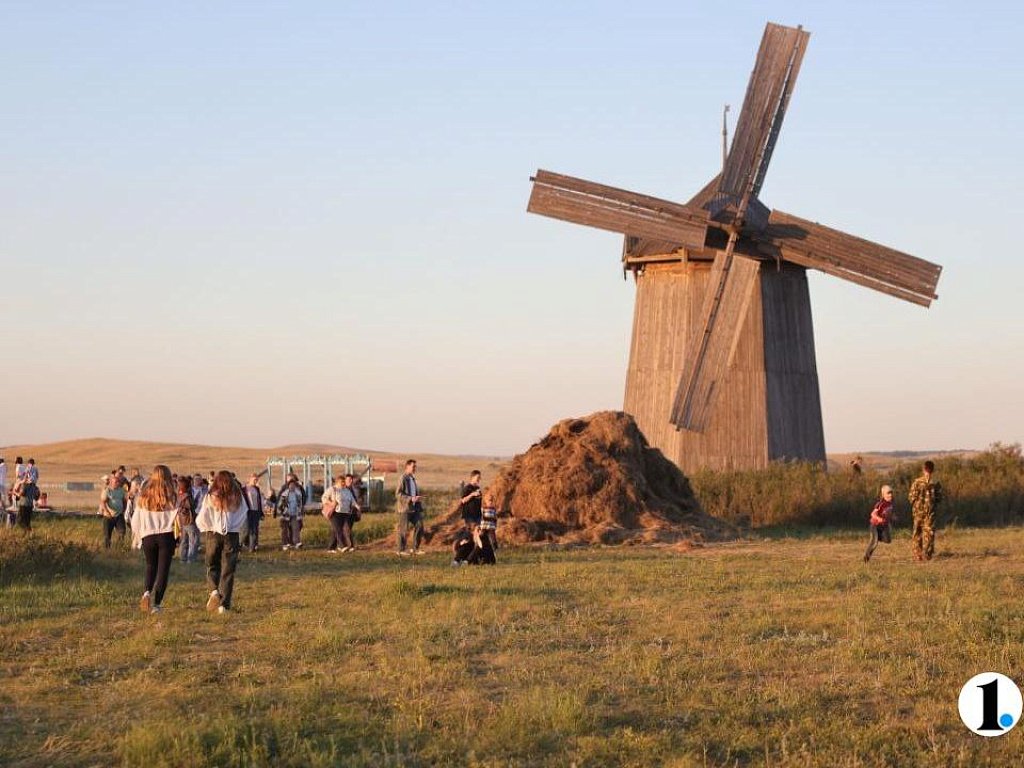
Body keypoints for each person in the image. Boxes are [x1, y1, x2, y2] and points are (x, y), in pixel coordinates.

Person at [196, 470, 247, 614]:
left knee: (212, 563)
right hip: (232, 535)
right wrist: (235, 527)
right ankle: (223, 605)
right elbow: (244, 513)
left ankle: (213, 591)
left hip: (213, 533)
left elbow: (203, 513)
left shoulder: (211, 495)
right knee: (228, 569)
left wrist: (205, 527)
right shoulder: (237, 495)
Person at [132, 466, 178, 614]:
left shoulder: (144, 496)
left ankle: (146, 592)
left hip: (148, 536)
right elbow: (177, 518)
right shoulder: (172, 496)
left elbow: (136, 519)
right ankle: (157, 605)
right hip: (166, 535)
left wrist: (138, 536)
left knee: (150, 566)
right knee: (163, 571)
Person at [909, 460, 943, 561]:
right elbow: (911, 497)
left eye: (928, 471)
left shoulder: (932, 483)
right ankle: (921, 555)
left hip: (926, 513)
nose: (927, 473)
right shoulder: (921, 482)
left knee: (925, 534)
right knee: (921, 533)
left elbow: (911, 497)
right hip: (923, 512)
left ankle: (924, 555)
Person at [395, 459, 425, 555]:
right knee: (403, 529)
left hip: (414, 508)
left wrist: (417, 498)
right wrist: (410, 499)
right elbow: (398, 494)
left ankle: (415, 549)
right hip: (405, 509)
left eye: (415, 466)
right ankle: (401, 550)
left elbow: (414, 493)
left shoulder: (413, 479)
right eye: (413, 466)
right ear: (407, 467)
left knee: (420, 525)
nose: (415, 468)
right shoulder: (403, 478)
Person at [863, 484, 895, 562]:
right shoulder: (880, 504)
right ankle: (866, 558)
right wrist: (879, 518)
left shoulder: (890, 504)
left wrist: (893, 517)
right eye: (888, 493)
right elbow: (872, 514)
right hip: (875, 525)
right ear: (883, 495)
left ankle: (878, 537)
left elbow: (889, 514)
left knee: (888, 540)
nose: (890, 495)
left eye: (891, 493)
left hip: (884, 525)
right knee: (874, 543)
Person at [99, 474, 127, 548]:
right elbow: (103, 502)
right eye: (115, 482)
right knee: (107, 535)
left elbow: (124, 501)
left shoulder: (121, 490)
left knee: (122, 532)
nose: (117, 483)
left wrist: (124, 509)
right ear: (111, 482)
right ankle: (107, 550)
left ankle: (119, 548)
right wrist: (107, 512)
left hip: (119, 515)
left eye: (118, 482)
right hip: (109, 516)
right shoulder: (107, 490)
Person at [177, 476, 200, 563]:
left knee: (184, 540)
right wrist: (196, 500)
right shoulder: (187, 496)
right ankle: (191, 558)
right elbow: (191, 506)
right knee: (193, 540)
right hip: (189, 520)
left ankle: (183, 558)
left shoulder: (179, 495)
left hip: (182, 521)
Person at [277, 478, 304, 550]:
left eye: (293, 485)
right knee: (284, 530)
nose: (292, 486)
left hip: (295, 514)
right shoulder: (284, 494)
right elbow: (280, 504)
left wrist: (300, 512)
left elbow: (300, 504)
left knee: (296, 528)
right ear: (288, 486)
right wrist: (282, 512)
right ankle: (285, 544)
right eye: (291, 485)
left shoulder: (298, 493)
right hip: (285, 514)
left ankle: (297, 543)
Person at [242, 474, 264, 552]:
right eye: (254, 480)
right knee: (247, 530)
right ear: (250, 479)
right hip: (248, 511)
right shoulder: (244, 489)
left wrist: (261, 512)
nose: (256, 481)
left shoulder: (257, 489)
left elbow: (259, 501)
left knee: (254, 529)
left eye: (257, 480)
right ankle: (243, 543)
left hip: (256, 511)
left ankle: (252, 547)